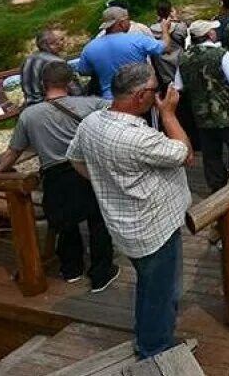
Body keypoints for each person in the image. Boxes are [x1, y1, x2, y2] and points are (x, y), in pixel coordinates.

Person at [66, 64, 193, 360]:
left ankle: (148, 336)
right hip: (154, 226)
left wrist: (108, 180)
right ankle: (154, 350)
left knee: (150, 285)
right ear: (139, 96)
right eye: (154, 90)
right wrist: (169, 114)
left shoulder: (92, 122)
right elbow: (184, 154)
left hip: (126, 222)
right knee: (161, 291)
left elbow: (74, 158)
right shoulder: (138, 138)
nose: (157, 95)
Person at [0, 62, 117, 291]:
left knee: (65, 223)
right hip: (88, 170)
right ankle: (101, 273)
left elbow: (13, 152)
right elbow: (120, 112)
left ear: (43, 84)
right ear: (70, 82)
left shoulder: (29, 115)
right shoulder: (93, 104)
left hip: (55, 174)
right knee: (98, 221)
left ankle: (71, 269)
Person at [174, 20, 229, 194]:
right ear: (209, 35)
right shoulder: (221, 54)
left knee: (211, 156)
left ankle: (217, 188)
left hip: (202, 116)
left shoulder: (184, 59)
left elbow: (178, 86)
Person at [76, 7, 170, 100]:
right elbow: (165, 47)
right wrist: (165, 29)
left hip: (110, 100)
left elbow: (83, 71)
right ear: (121, 23)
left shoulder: (90, 47)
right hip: (140, 97)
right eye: (128, 20)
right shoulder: (137, 40)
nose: (130, 23)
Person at [21, 28, 69, 106]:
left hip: (29, 106)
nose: (64, 42)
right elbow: (75, 89)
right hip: (49, 107)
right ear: (51, 44)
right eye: (61, 40)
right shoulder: (56, 62)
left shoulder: (28, 59)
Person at [151, 0, 188, 91]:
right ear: (171, 11)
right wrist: (175, 18)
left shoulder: (151, 30)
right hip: (179, 66)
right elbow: (184, 35)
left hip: (164, 72)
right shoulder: (179, 27)